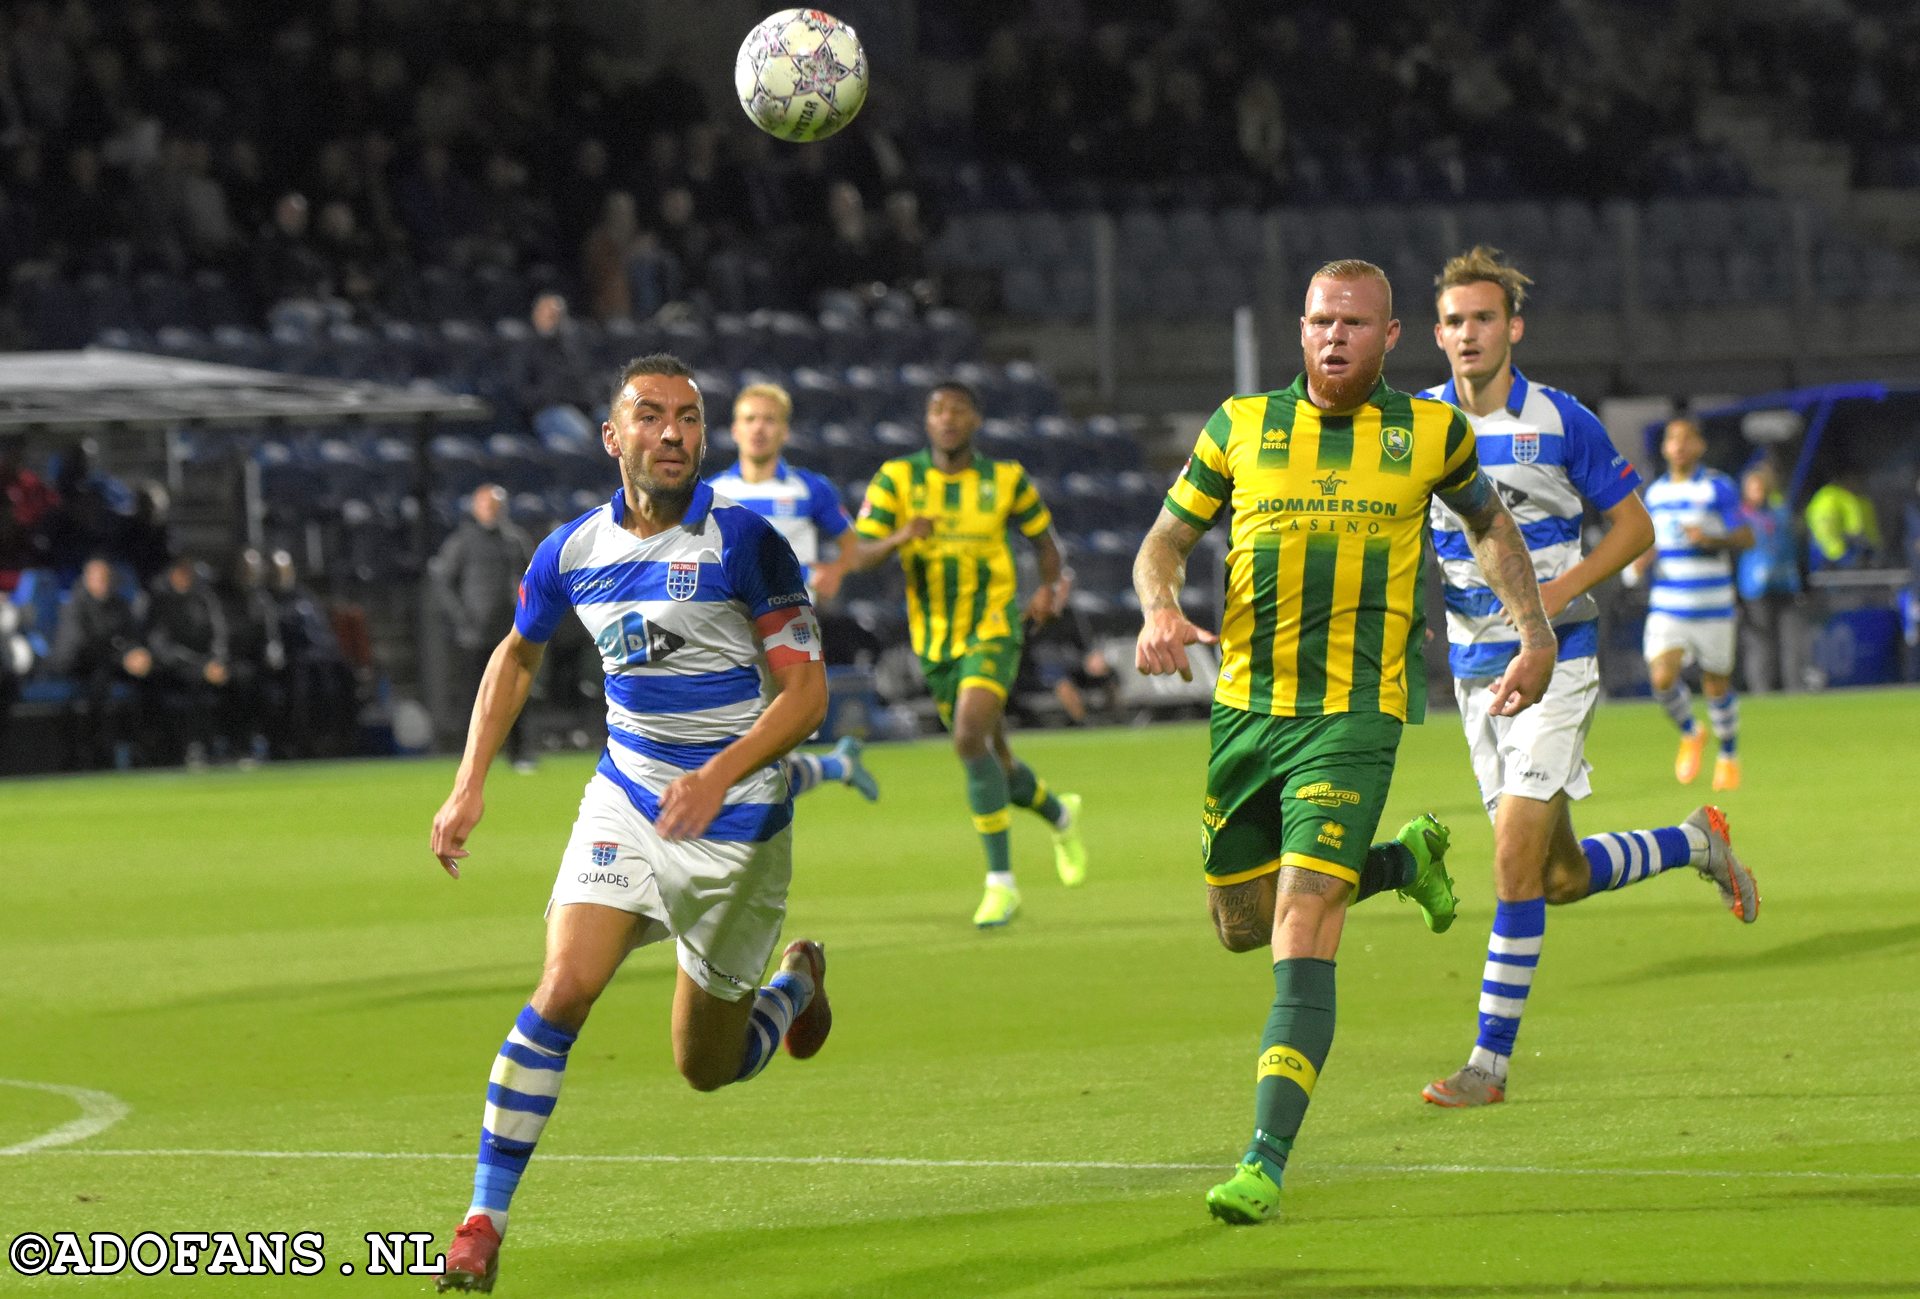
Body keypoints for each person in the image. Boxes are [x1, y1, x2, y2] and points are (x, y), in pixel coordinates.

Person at [1131, 258, 1550, 1225]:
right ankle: (1402, 863)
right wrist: (1159, 608)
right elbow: (1163, 540)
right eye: (1321, 320)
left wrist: (1534, 631)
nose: (1335, 337)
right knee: (1239, 923)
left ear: (1392, 338)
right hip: (1245, 714)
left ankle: (1265, 1158)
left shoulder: (1429, 432)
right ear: (1301, 327)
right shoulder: (1239, 427)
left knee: (1301, 923)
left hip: (1355, 718)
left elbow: (1490, 528)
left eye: (1356, 324)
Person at [429, 355, 834, 1293]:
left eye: (689, 418)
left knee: (706, 1065)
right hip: (628, 799)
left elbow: (806, 695)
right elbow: (517, 654)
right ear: (612, 437)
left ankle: (796, 983)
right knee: (564, 986)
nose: (673, 433)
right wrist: (468, 783)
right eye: (650, 416)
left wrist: (719, 774)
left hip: (737, 828)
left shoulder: (747, 543)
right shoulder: (570, 552)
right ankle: (482, 1222)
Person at [1417, 248, 1759, 1111]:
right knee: (1554, 877)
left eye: (1483, 319)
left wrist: (1556, 590)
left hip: (1561, 658)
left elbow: (1633, 526)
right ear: (1437, 333)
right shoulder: (1416, 424)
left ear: (1513, 328)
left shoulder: (1563, 420)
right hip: (1474, 674)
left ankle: (1487, 1066)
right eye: (1455, 321)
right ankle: (1693, 841)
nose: (1468, 334)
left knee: (1509, 859)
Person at [842, 381, 1087, 927]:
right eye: (936, 410)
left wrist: (1050, 587)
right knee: (994, 759)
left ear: (975, 419)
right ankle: (1060, 813)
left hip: (995, 628)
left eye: (957, 409)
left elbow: (1045, 542)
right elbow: (857, 555)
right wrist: (900, 535)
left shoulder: (1006, 479)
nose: (946, 418)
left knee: (968, 736)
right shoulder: (897, 479)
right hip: (934, 643)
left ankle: (1001, 884)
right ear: (926, 423)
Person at [707, 381, 877, 801]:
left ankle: (755, 841)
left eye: (769, 420)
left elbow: (851, 546)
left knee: (761, 753)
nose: (759, 429)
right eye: (750, 419)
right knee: (750, 758)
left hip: (788, 629)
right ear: (734, 429)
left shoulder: (809, 490)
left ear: (785, 431)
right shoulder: (713, 493)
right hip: (730, 628)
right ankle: (836, 765)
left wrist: (835, 570)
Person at [1637, 419, 1752, 791]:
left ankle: (1728, 754)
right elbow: (1651, 541)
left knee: (1717, 684)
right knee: (1661, 678)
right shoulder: (1654, 494)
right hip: (1669, 604)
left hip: (1714, 603)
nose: (1680, 445)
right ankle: (1691, 731)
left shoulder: (1717, 487)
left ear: (1701, 446)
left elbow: (1746, 535)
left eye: (1688, 438)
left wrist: (1712, 538)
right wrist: (1642, 558)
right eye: (1673, 439)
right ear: (1665, 449)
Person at [431, 485, 536, 772]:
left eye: (496, 506)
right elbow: (443, 582)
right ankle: (473, 757)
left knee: (516, 692)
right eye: (487, 505)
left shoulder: (515, 540)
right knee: (474, 696)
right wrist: (462, 618)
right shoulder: (462, 542)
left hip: (510, 632)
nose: (492, 511)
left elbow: (532, 578)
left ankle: (519, 753)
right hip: (474, 635)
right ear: (476, 508)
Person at [49, 555, 152, 769]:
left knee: (152, 676)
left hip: (110, 663)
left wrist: (136, 654)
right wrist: (123, 658)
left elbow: (131, 636)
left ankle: (147, 747)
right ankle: (97, 752)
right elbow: (83, 646)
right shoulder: (75, 606)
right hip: (78, 666)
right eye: (98, 578)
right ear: (87, 579)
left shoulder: (119, 604)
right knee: (100, 681)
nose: (103, 584)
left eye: (106, 578)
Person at [144, 555, 236, 769]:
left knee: (242, 680)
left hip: (207, 666)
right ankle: (194, 746)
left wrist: (217, 661)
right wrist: (201, 665)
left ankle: (235, 745)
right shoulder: (159, 600)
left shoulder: (205, 598)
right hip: (173, 669)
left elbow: (219, 634)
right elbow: (161, 644)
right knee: (193, 687)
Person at [1736, 462, 1806, 693]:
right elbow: (1733, 555)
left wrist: (1805, 582)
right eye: (1753, 488)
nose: (1758, 492)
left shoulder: (1781, 514)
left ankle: (1795, 689)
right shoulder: (1740, 518)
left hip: (1786, 583)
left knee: (1791, 641)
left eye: (1761, 487)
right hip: (1755, 589)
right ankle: (1762, 692)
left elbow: (1798, 548)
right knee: (1760, 643)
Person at [1803, 467, 1880, 572]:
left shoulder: (1820, 497)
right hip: (1842, 554)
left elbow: (1809, 521)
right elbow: (1855, 530)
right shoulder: (1848, 499)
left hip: (1818, 552)